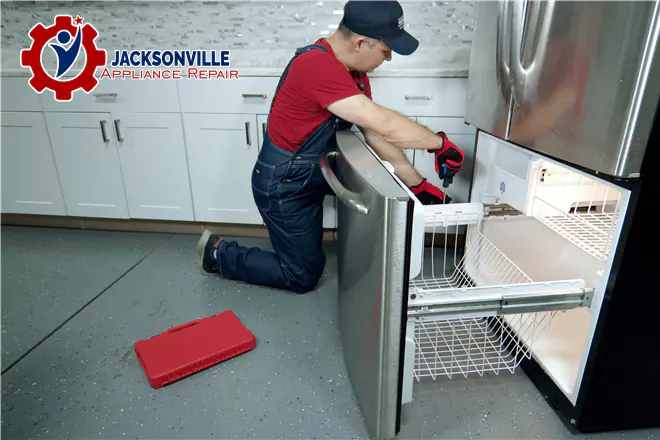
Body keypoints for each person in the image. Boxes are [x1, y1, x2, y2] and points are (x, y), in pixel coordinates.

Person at [197, 0, 465, 294]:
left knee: (377, 190)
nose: (388, 59)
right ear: (361, 43)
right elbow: (385, 123)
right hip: (284, 184)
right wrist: (439, 144)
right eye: (386, 51)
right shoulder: (317, 65)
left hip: (316, 170)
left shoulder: (355, 74)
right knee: (301, 276)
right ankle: (220, 253)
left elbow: (375, 133)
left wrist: (417, 185)